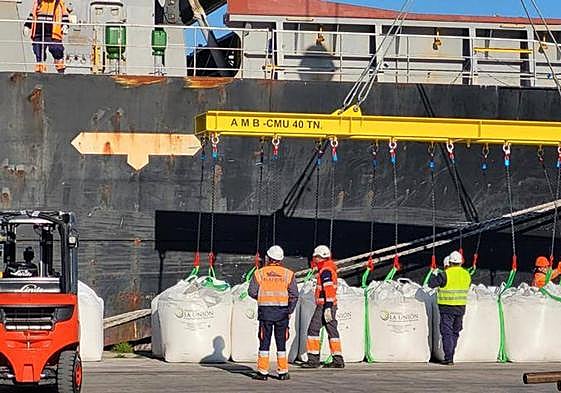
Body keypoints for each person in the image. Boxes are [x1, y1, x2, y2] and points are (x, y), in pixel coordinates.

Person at [248, 245, 298, 381]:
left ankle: (262, 372)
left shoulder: (259, 273)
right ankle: (283, 372)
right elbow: (294, 295)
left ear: (268, 258)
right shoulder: (289, 274)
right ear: (281, 260)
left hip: (265, 313)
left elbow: (251, 292)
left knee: (264, 342)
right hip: (282, 313)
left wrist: (263, 297)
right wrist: (289, 310)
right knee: (281, 343)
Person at [301, 245, 345, 369]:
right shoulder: (329, 268)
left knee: (313, 330)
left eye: (315, 257)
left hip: (324, 305)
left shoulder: (325, 270)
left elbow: (328, 289)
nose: (314, 259)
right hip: (330, 305)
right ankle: (338, 359)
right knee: (332, 331)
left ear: (320, 257)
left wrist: (327, 307)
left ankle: (313, 360)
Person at [428, 250, 471, 365]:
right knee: (455, 331)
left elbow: (431, 284)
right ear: (461, 263)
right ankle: (451, 353)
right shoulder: (466, 274)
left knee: (446, 332)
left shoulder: (445, 274)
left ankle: (449, 357)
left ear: (450, 262)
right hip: (460, 307)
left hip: (447, 308)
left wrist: (433, 272)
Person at [24, 0, 70, 73]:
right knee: (38, 49)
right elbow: (32, 14)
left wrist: (65, 25)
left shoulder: (59, 2)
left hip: (53, 30)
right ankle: (40, 69)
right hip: (39, 30)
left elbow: (64, 14)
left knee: (56, 48)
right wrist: (27, 25)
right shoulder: (38, 2)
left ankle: (60, 68)